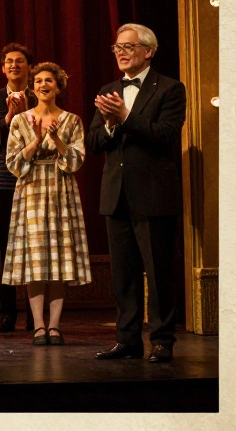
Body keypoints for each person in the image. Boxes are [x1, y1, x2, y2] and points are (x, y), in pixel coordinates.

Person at [89, 23, 186, 363]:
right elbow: (94, 142)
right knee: (124, 274)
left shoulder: (170, 89)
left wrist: (125, 116)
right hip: (116, 195)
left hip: (154, 194)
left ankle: (162, 340)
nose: (121, 52)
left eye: (129, 46)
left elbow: (165, 135)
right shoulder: (109, 89)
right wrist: (111, 123)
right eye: (117, 47)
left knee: (158, 272)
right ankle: (127, 340)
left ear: (148, 50)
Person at [2, 62, 90, 346]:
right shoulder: (20, 121)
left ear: (58, 86)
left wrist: (56, 140)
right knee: (36, 260)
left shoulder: (72, 120)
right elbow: (13, 163)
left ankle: (54, 325)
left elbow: (76, 160)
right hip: (31, 189)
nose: (42, 85)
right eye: (38, 81)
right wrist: (38, 139)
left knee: (59, 259)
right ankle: (39, 325)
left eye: (48, 81)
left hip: (60, 189)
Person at [0, 43, 37, 333]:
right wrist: (7, 120)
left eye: (20, 61)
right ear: (2, 68)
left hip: (34, 179)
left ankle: (35, 314)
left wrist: (27, 115)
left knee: (34, 246)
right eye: (9, 62)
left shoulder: (40, 92)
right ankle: (7, 313)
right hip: (2, 181)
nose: (14, 66)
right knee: (5, 247)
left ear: (29, 66)